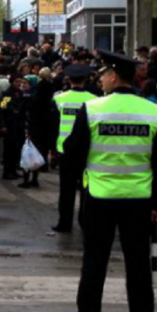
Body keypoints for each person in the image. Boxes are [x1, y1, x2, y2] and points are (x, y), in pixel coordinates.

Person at [59, 50, 157, 312]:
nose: (100, 79)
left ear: (113, 76)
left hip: (100, 199)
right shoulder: (151, 110)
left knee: (94, 263)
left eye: (103, 74)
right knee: (139, 266)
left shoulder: (93, 109)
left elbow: (73, 153)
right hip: (139, 201)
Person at [51, 64, 98, 232]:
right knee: (86, 188)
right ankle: (84, 221)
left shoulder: (59, 99)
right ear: (85, 80)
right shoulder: (94, 100)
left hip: (65, 150)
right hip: (87, 151)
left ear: (69, 80)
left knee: (66, 189)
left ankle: (65, 222)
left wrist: (52, 149)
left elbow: (54, 125)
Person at [0, 76, 31, 180]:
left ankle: (13, 170)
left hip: (19, 125)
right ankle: (7, 171)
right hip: (9, 124)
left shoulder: (21, 94)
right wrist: (3, 124)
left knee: (16, 148)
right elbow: (2, 109)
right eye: (17, 81)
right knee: (9, 149)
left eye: (20, 81)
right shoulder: (7, 94)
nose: (19, 84)